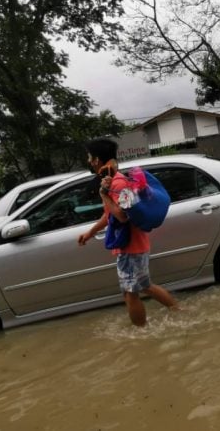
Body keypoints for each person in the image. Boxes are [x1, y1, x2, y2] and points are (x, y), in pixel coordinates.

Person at [78, 138, 178, 326]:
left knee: (130, 294)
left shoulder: (117, 184)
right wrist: (90, 233)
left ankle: (140, 334)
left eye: (90, 157)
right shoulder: (114, 182)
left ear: (97, 159)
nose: (89, 161)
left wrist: (103, 195)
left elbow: (122, 216)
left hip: (130, 248)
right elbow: (110, 215)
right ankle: (178, 310)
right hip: (135, 245)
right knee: (145, 286)